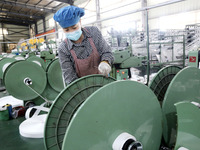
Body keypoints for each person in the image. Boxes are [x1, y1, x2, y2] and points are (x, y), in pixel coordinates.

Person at [54, 5, 114, 84]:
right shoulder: (63, 48)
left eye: (74, 27)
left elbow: (107, 52)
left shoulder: (93, 32)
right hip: (82, 89)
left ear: (80, 21)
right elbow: (69, 77)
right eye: (66, 30)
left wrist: (105, 62)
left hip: (103, 83)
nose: (71, 32)